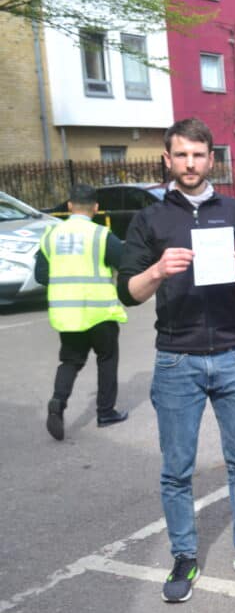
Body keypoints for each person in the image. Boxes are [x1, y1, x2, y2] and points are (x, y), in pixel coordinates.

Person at [116, 117, 235, 603]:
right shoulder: (150, 220)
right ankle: (184, 556)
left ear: (212, 160)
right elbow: (128, 293)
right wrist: (156, 270)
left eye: (199, 155)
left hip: (234, 352)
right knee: (177, 468)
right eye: (181, 155)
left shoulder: (234, 211)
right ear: (168, 160)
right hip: (177, 359)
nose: (190, 163)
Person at [37, 183, 129, 441]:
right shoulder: (101, 235)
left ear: (69, 206)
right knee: (107, 359)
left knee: (71, 360)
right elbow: (124, 263)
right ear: (96, 208)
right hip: (100, 311)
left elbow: (41, 275)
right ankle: (105, 412)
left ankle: (58, 402)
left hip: (68, 313)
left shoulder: (51, 235)